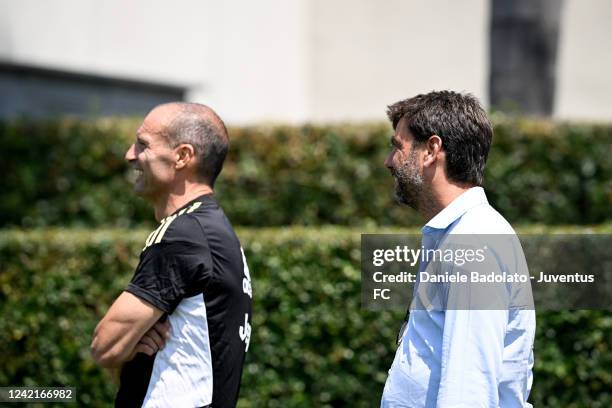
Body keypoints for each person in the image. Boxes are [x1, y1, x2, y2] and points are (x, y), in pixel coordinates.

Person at [91, 102, 253, 408]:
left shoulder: (183, 234)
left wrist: (124, 345)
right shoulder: (215, 230)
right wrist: (132, 342)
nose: (130, 155)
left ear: (182, 156)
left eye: (143, 145)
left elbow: (105, 345)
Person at [380, 91, 535, 407]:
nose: (389, 161)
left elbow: (469, 391)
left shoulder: (473, 241)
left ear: (431, 150)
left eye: (398, 147)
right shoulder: (457, 234)